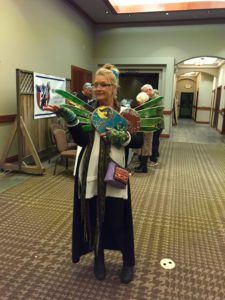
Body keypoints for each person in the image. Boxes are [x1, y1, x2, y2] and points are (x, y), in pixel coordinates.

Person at [44, 64, 143, 284]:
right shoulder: (88, 110)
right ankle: (98, 258)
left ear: (113, 87)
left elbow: (139, 141)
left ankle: (128, 261)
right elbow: (80, 140)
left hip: (115, 172)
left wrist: (122, 136)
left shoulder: (125, 112)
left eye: (103, 84)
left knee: (119, 219)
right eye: (95, 84)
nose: (97, 88)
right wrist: (68, 117)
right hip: (89, 171)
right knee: (93, 217)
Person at [140, 84, 164, 167]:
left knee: (154, 142)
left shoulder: (156, 99)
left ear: (149, 90)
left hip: (157, 124)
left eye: (144, 92)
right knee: (154, 141)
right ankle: (154, 155)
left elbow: (155, 111)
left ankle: (154, 160)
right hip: (154, 123)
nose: (145, 94)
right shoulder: (152, 97)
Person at [133, 91, 153, 173]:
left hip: (147, 130)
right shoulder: (146, 107)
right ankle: (141, 165)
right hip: (144, 130)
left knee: (145, 148)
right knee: (142, 148)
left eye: (139, 101)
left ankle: (144, 168)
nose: (138, 102)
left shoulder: (147, 108)